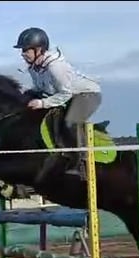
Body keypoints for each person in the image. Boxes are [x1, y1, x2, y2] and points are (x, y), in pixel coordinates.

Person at [13, 27, 102, 184]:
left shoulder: (55, 67)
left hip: (87, 94)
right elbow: (41, 89)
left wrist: (42, 103)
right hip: (66, 95)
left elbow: (65, 93)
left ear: (39, 49)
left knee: (69, 122)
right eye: (22, 50)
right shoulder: (33, 68)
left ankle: (82, 164)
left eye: (26, 50)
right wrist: (25, 93)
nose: (23, 53)